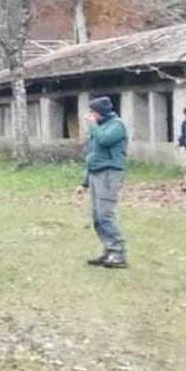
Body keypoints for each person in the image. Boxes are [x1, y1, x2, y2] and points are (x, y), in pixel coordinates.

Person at [75, 96, 128, 268]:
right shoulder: (100, 127)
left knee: (105, 214)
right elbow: (93, 156)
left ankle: (118, 253)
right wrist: (84, 183)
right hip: (96, 173)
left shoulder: (117, 125)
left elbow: (104, 140)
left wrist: (92, 125)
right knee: (97, 216)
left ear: (100, 112)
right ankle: (108, 250)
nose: (89, 115)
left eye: (92, 111)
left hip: (109, 173)